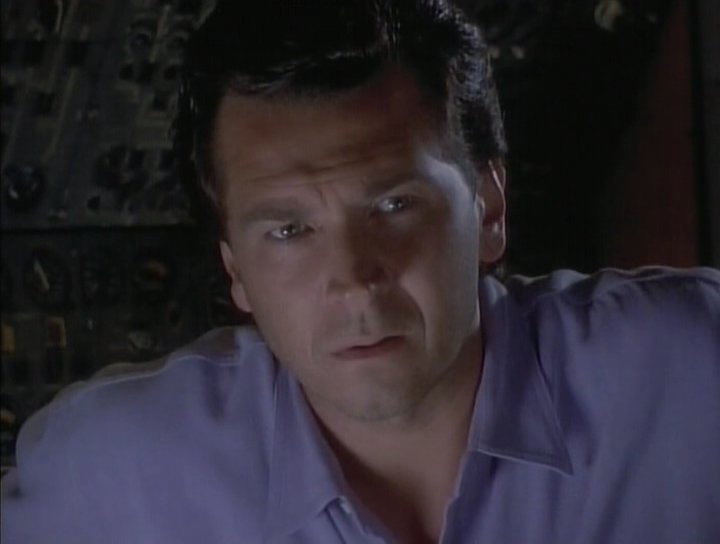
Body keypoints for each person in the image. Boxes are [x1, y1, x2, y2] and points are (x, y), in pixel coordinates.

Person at [2, 1, 719, 542]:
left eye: (393, 205)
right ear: (235, 270)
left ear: (489, 208)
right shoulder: (107, 470)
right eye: (289, 231)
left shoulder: (692, 370)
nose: (353, 279)